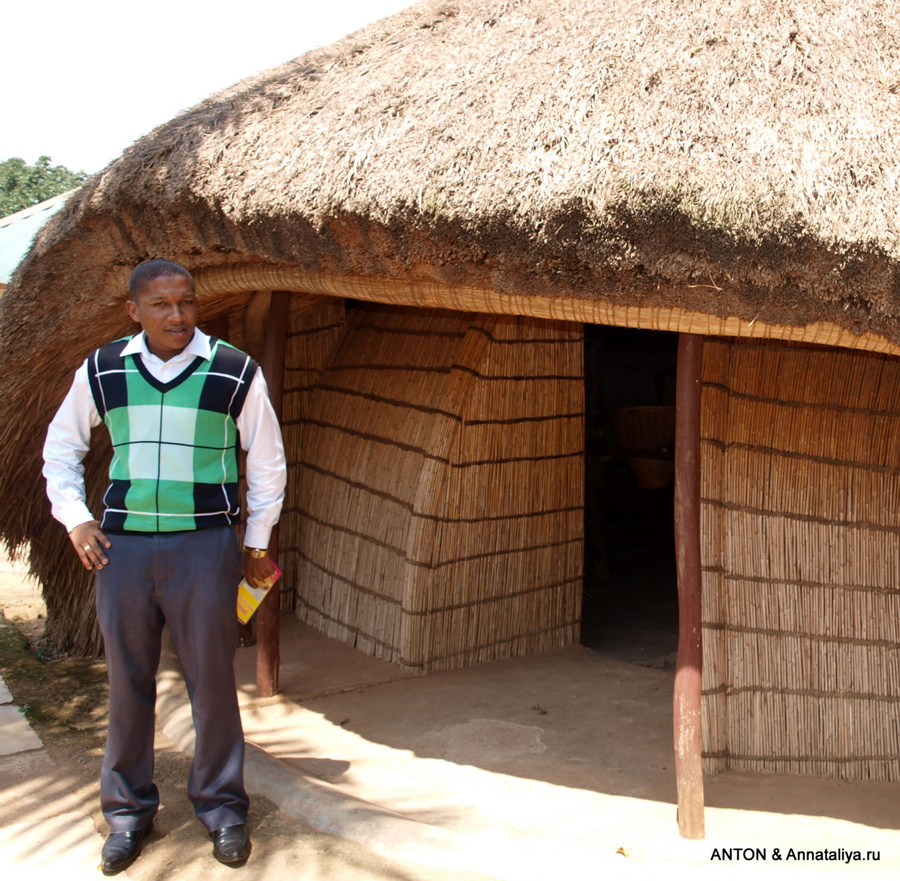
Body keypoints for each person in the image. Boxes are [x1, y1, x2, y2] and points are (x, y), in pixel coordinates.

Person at [42, 259, 286, 874]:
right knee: (128, 683)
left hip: (205, 548)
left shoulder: (233, 370)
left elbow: (267, 462)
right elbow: (61, 447)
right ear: (134, 310)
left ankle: (223, 808)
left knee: (212, 684)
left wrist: (255, 542)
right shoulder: (103, 368)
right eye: (160, 304)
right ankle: (127, 815)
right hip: (121, 552)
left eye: (185, 302)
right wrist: (75, 518)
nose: (176, 315)